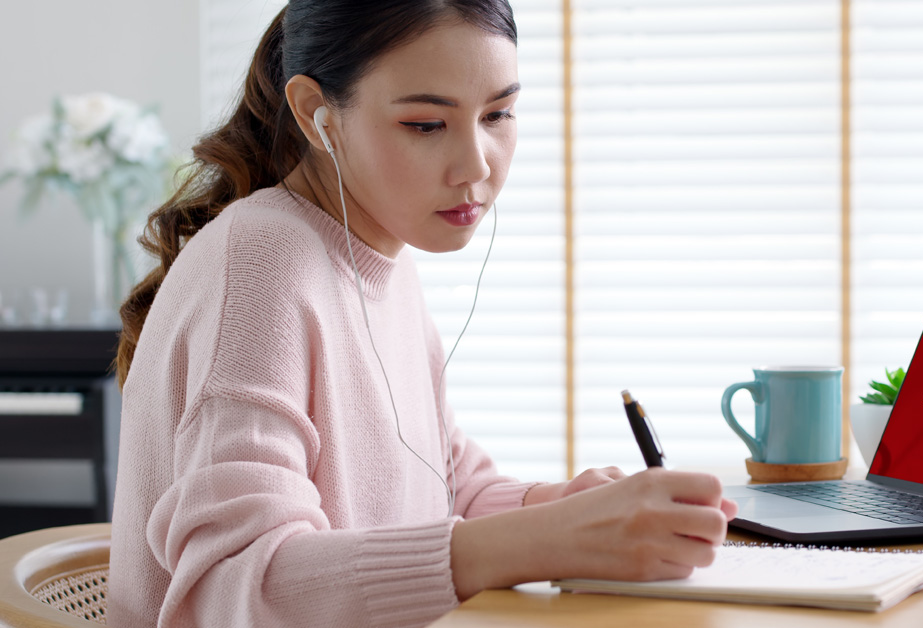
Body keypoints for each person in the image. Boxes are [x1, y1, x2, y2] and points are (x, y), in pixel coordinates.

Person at [108, 1, 737, 627]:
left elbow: (446, 485)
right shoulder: (263, 258)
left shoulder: (381, 255)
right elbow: (236, 589)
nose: (478, 165)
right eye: (426, 124)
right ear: (314, 114)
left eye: (499, 114)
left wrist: (563, 505)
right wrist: (545, 539)